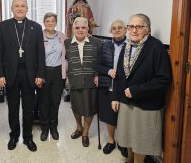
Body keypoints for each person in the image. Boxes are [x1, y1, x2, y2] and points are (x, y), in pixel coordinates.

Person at [111, 14, 172, 163]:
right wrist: (115, 97)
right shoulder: (126, 46)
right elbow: (119, 76)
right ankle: (130, 160)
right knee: (128, 137)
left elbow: (163, 79)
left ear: (148, 29)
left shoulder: (156, 47)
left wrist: (136, 90)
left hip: (146, 105)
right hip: (126, 103)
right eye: (131, 26)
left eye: (139, 26)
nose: (134, 30)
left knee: (141, 143)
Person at [0, 0, 45, 152]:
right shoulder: (2, 26)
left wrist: (40, 74)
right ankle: (14, 135)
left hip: (30, 73)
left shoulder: (36, 27)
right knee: (13, 107)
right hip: (11, 74)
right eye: (17, 6)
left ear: (27, 8)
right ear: (12, 8)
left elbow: (40, 53)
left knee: (28, 108)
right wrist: (0, 75)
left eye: (23, 6)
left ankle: (28, 137)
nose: (20, 8)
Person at [64, 17, 100, 147]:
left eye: (83, 27)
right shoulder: (67, 43)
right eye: (77, 27)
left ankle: (85, 132)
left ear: (87, 28)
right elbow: (63, 61)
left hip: (91, 80)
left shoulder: (96, 42)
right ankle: (79, 128)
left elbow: (100, 61)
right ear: (73, 29)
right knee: (76, 106)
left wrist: (98, 74)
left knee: (89, 108)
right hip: (74, 80)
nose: (80, 30)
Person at [95, 20, 128, 156]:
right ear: (111, 31)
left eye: (120, 27)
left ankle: (123, 142)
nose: (117, 30)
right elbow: (97, 65)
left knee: (124, 116)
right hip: (108, 86)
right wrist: (108, 71)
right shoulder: (105, 46)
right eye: (114, 28)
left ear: (125, 30)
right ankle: (111, 140)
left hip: (125, 88)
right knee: (110, 116)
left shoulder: (131, 46)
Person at [38, 12, 67, 141]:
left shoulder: (62, 36)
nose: (50, 23)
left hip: (58, 72)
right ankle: (44, 128)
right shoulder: (38, 36)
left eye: (53, 21)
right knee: (44, 102)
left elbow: (67, 54)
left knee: (55, 101)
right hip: (43, 71)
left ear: (56, 22)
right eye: (47, 21)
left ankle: (53, 127)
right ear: (44, 22)